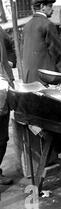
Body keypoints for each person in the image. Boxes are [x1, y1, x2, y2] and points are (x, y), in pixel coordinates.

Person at [22, 0, 61, 84]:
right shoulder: (48, 25)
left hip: (29, 78)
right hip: (44, 79)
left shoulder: (27, 25)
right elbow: (57, 52)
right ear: (42, 7)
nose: (53, 9)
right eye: (50, 6)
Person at [0, 26, 14, 185]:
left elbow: (10, 48)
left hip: (2, 89)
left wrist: (9, 63)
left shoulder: (1, 31)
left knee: (2, 138)